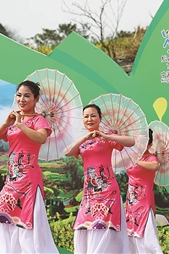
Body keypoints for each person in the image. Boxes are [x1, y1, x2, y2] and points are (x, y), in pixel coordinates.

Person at [0, 80, 58, 253]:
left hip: (28, 179)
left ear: (36, 99)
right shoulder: (13, 119)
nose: (22, 99)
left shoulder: (39, 120)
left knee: (26, 223)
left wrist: (19, 124)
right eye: (19, 95)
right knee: (3, 216)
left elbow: (41, 138)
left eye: (27, 96)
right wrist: (6, 123)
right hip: (12, 179)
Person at [64, 103, 135, 253]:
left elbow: (131, 142)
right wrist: (84, 137)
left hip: (108, 190)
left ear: (100, 118)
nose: (89, 119)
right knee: (85, 226)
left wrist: (106, 135)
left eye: (93, 115)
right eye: (86, 116)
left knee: (104, 226)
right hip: (89, 193)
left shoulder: (107, 138)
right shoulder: (83, 142)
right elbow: (67, 152)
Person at [125, 129, 163, 253]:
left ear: (150, 145)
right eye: (139, 141)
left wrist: (136, 161)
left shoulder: (151, 158)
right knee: (130, 234)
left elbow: (155, 166)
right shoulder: (131, 156)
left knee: (148, 238)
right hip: (131, 202)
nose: (140, 145)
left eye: (144, 142)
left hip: (144, 202)